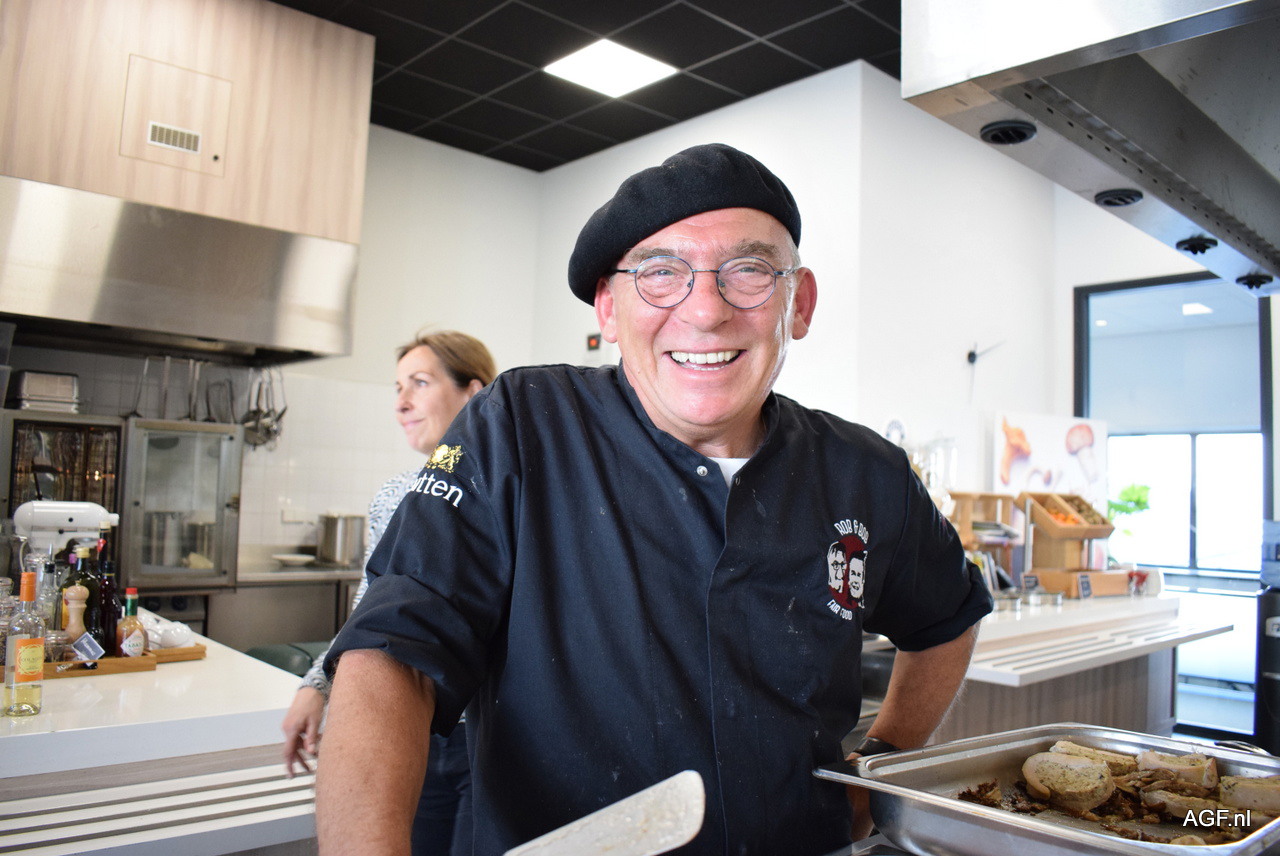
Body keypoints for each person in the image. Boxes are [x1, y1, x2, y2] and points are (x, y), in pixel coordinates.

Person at [316, 144, 993, 855]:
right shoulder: (521, 425)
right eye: (661, 273)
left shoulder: (864, 471)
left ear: (799, 303)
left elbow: (947, 619)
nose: (705, 310)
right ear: (609, 309)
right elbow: (392, 653)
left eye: (749, 270)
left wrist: (881, 766)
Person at [281, 330, 496, 855]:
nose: (401, 403)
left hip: (492, 739)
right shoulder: (396, 494)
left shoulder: (510, 488)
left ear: (473, 392)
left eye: (419, 383)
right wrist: (318, 684)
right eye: (398, 387)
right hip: (411, 728)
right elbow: (372, 610)